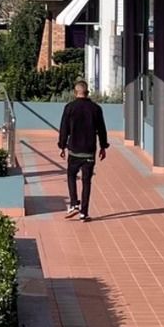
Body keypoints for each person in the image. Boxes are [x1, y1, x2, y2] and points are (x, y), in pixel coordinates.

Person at [58, 79, 108, 221]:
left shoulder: (69, 108)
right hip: (89, 151)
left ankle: (74, 203)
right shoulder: (96, 109)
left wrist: (62, 146)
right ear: (87, 93)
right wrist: (103, 146)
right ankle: (84, 213)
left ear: (75, 93)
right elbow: (102, 130)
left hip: (74, 150)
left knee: (71, 176)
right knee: (87, 182)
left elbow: (64, 129)